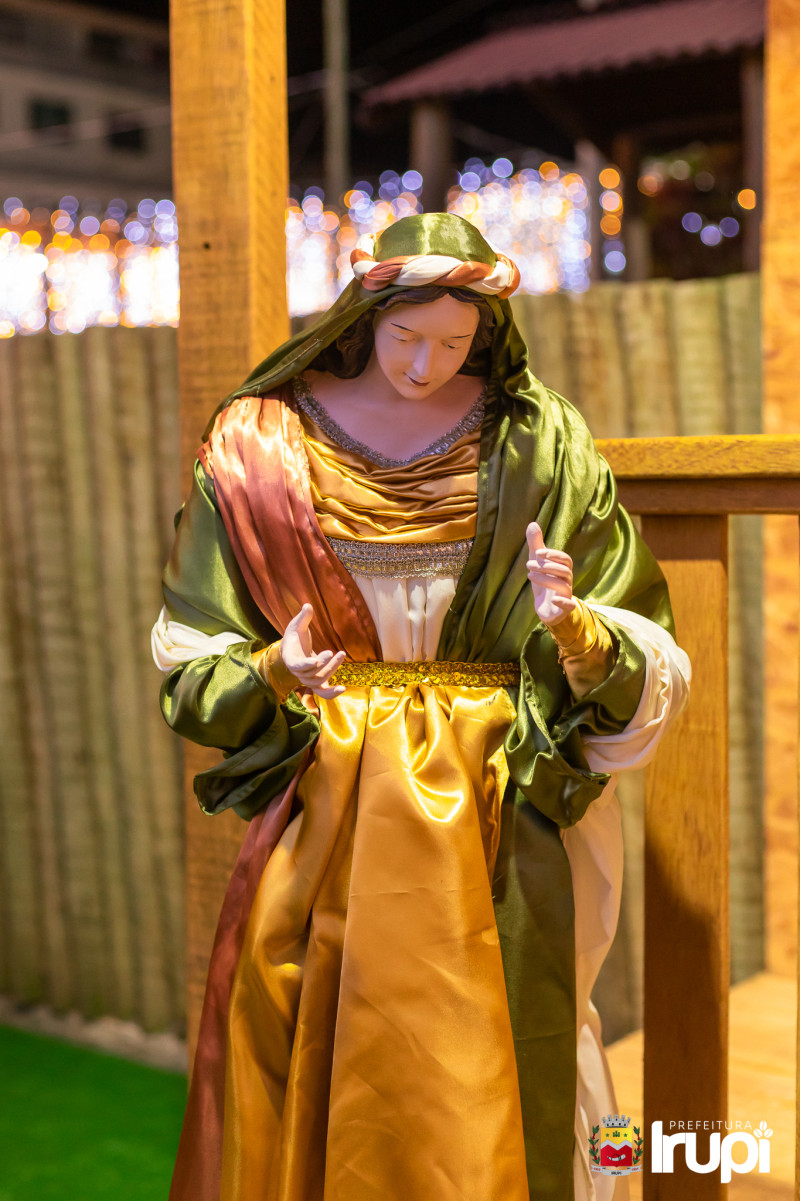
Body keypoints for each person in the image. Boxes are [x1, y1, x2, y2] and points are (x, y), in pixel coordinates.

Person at [152, 212, 690, 1201]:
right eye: (406, 336)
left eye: (452, 343)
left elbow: (633, 633)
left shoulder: (535, 435)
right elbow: (195, 656)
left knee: (511, 1031)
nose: (423, 363)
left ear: (484, 334)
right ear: (365, 316)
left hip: (499, 793)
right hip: (337, 798)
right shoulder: (261, 442)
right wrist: (274, 668)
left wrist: (574, 628)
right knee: (318, 1020)